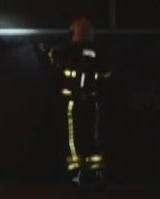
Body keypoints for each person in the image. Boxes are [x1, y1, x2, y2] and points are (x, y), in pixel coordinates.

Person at [42, 18, 111, 185]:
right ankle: (95, 171)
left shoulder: (66, 52)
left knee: (73, 137)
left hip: (72, 102)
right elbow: (107, 73)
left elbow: (52, 57)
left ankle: (76, 171)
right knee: (93, 135)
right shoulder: (99, 53)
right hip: (93, 102)